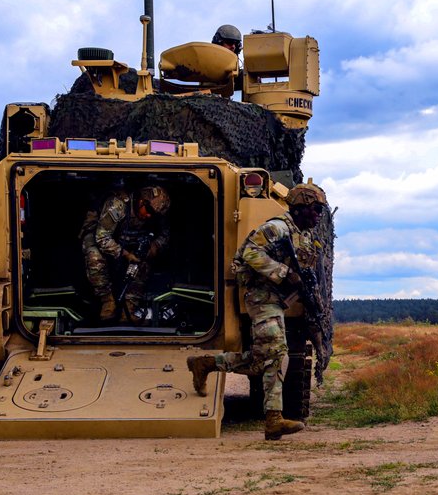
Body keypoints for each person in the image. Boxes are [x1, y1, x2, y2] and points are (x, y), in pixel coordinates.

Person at [186, 182, 327, 441]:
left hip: (278, 299)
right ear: (301, 207)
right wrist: (285, 273)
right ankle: (273, 419)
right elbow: (249, 253)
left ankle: (206, 364)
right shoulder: (278, 228)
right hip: (261, 296)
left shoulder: (303, 235)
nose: (319, 214)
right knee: (276, 351)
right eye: (315, 209)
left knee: (263, 360)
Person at [81, 185, 171, 322]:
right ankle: (107, 302)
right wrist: (125, 255)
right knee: (94, 257)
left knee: (142, 263)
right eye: (148, 211)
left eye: (153, 215)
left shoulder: (154, 214)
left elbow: (165, 235)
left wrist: (154, 246)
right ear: (141, 201)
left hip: (130, 242)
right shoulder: (118, 205)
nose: (148, 216)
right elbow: (102, 237)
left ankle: (129, 309)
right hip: (101, 237)